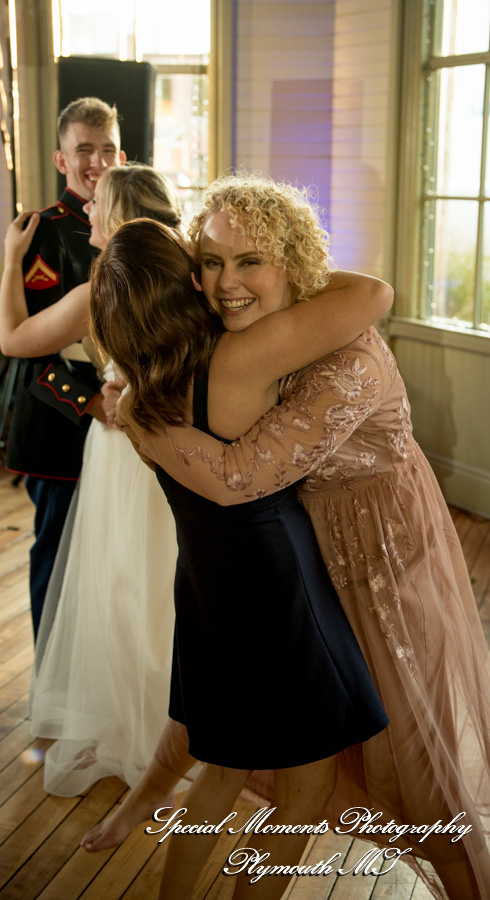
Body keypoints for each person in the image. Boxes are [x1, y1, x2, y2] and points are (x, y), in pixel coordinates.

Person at [108, 175, 490, 900]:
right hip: (311, 564)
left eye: (250, 261)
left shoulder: (348, 360)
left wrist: (138, 414)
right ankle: (146, 804)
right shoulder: (238, 342)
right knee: (287, 759)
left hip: (383, 560)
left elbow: (241, 476)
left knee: (417, 779)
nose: (227, 284)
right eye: (212, 262)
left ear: (293, 264)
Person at [88, 192, 395, 898]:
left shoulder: (143, 394)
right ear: (187, 283)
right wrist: (293, 267)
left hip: (206, 591)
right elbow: (372, 293)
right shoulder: (237, 360)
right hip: (276, 590)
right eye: (204, 264)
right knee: (304, 788)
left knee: (222, 768)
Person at [0, 164, 181, 792]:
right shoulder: (184, 279)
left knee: (116, 583)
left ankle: (123, 722)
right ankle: (167, 725)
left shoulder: (98, 289)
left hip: (119, 453)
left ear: (119, 218)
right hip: (171, 451)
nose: (87, 212)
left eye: (98, 204)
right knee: (159, 584)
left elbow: (13, 340)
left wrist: (9, 260)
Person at [1, 96, 126, 641]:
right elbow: (30, 353)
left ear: (123, 156)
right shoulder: (42, 233)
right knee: (58, 556)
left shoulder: (135, 230)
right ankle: (52, 671)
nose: (97, 162)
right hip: (61, 427)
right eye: (84, 150)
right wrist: (95, 404)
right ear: (61, 160)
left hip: (125, 426)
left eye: (107, 149)